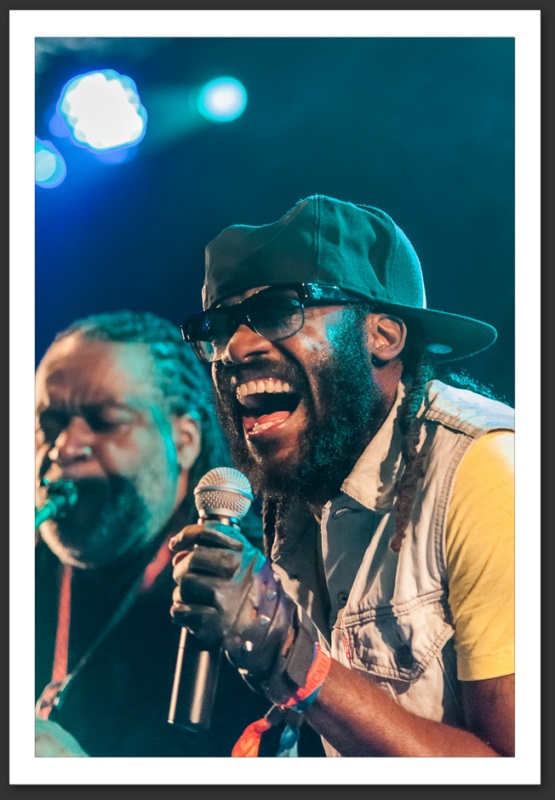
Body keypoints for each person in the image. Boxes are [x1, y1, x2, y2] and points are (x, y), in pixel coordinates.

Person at [171, 194, 515, 758]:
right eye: (219, 324)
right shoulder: (301, 492)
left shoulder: (487, 472)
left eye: (281, 309)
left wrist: (292, 658)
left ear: (383, 335)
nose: (234, 347)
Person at [34, 309, 276, 757]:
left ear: (184, 440)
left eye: (105, 420)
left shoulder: (250, 592)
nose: (63, 446)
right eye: (49, 422)